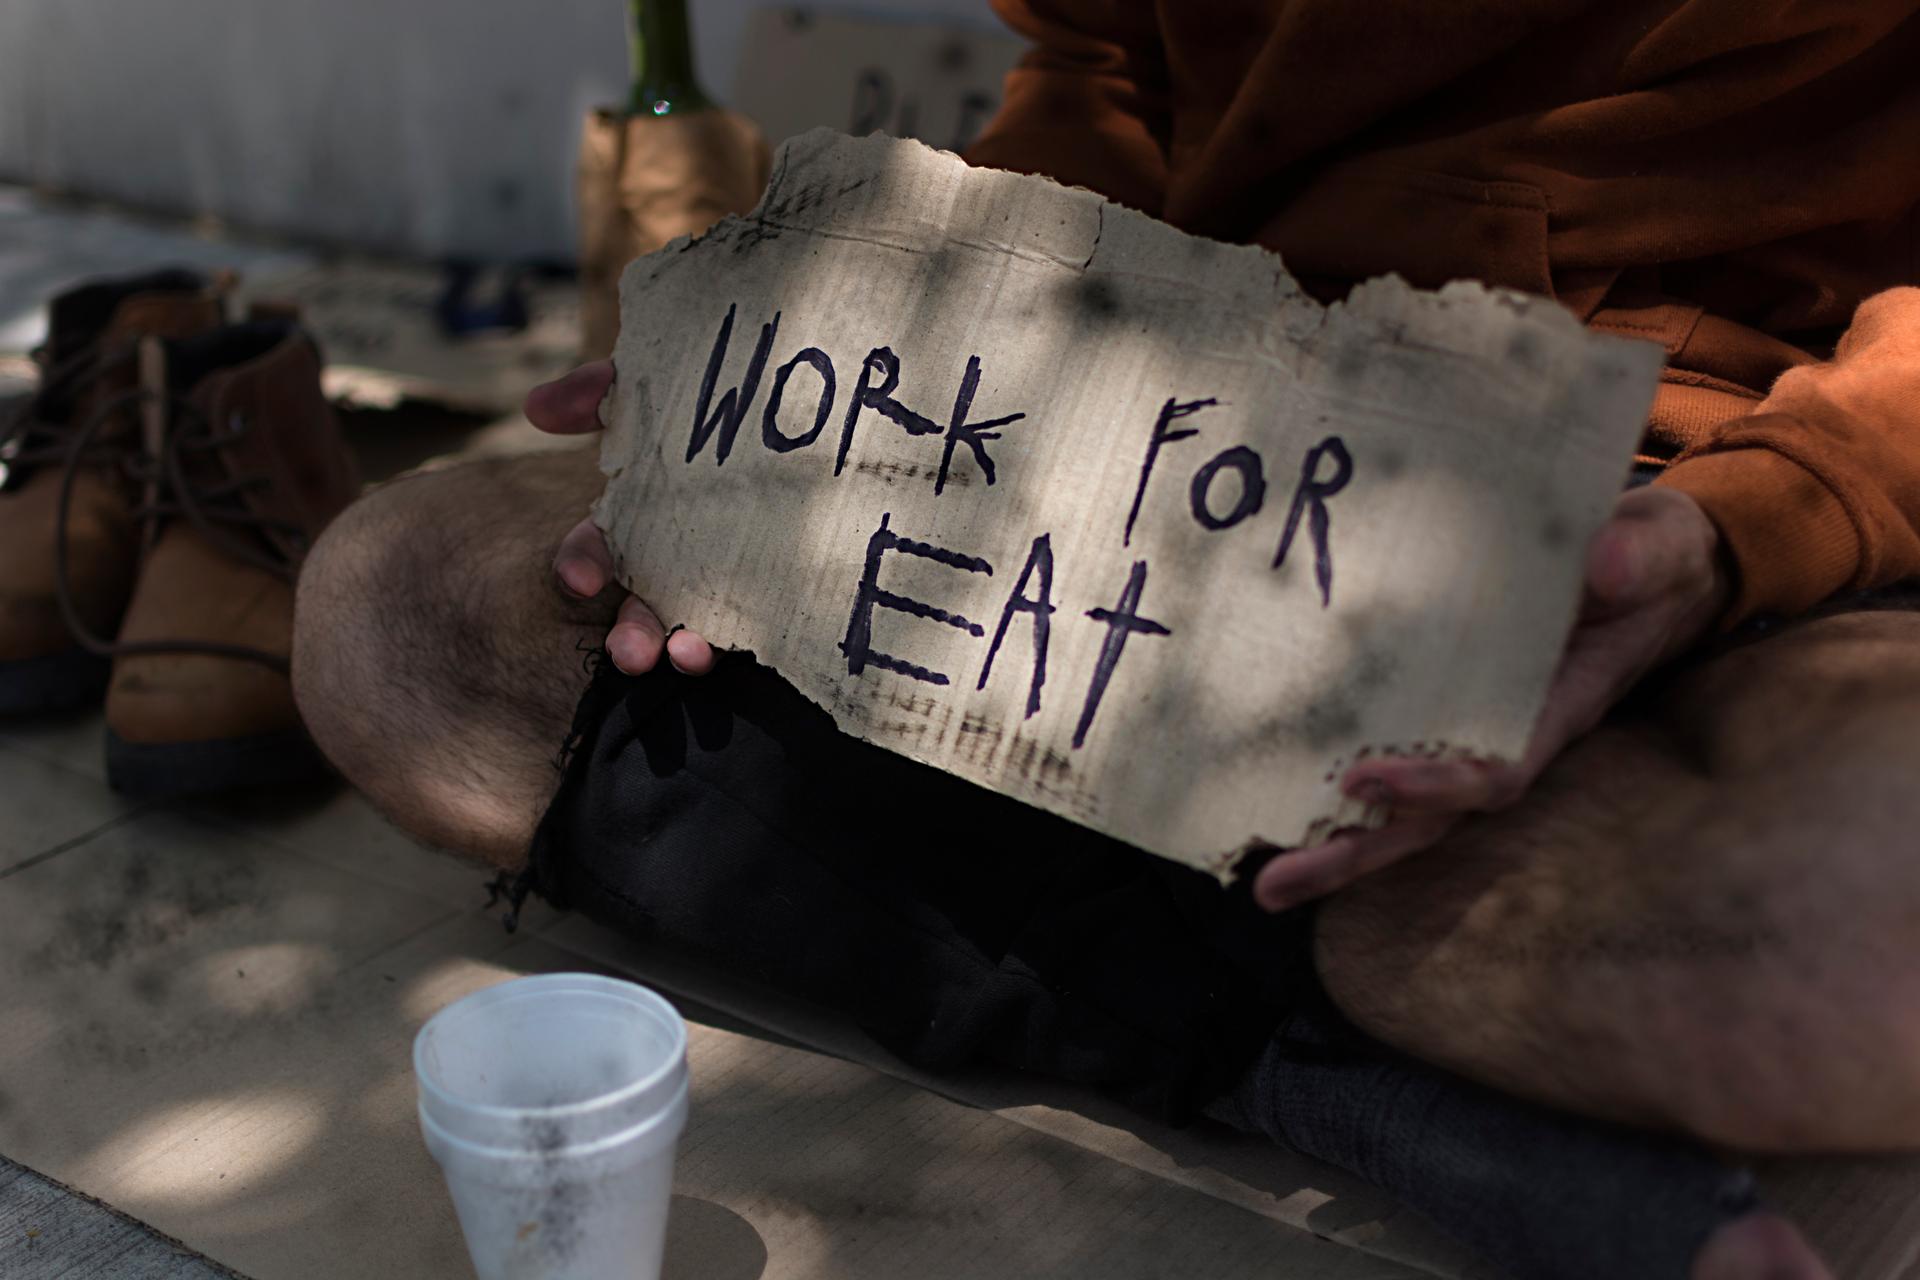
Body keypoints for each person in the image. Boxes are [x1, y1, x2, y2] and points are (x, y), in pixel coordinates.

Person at [290, 2, 1920, 1277]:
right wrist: (834, 389)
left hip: (1688, 501)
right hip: (1152, 473)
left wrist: (1759, 518)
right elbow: (1095, 67)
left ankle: (1197, 956)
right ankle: (1334, 1062)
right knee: (398, 618)